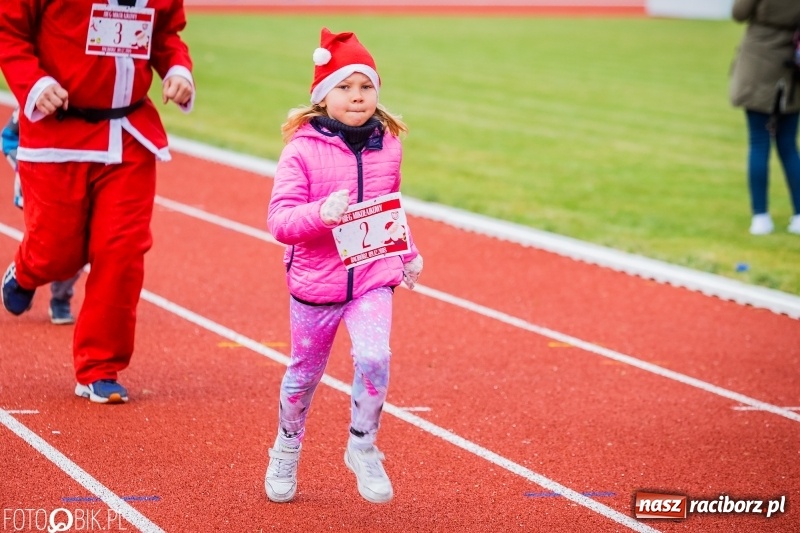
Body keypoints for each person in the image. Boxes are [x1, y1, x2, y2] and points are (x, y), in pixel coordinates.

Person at [0, 1, 195, 404]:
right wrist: (35, 83)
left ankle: (99, 368)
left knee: (122, 251)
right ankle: (26, 270)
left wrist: (177, 70)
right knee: (57, 254)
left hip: (129, 137)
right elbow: (7, 32)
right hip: (57, 136)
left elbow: (165, 35)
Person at [265, 27, 424, 504]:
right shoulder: (301, 151)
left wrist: (408, 253)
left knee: (375, 357)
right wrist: (321, 215)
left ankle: (363, 445)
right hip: (317, 282)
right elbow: (279, 220)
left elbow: (389, 208)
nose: (357, 97)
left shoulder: (388, 146)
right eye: (345, 87)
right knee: (304, 374)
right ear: (322, 96)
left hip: (373, 277)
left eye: (366, 86)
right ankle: (287, 447)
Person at [2, 107, 82, 325]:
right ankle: (25, 281)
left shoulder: (86, 107)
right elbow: (7, 139)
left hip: (76, 185)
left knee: (77, 247)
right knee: (43, 244)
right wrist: (25, 165)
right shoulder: (30, 105)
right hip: (37, 189)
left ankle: (60, 298)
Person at [729, 0, 800, 235]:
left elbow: (739, 13)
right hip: (791, 64)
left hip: (758, 61)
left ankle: (761, 217)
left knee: (759, 141)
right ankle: (799, 215)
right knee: (788, 145)